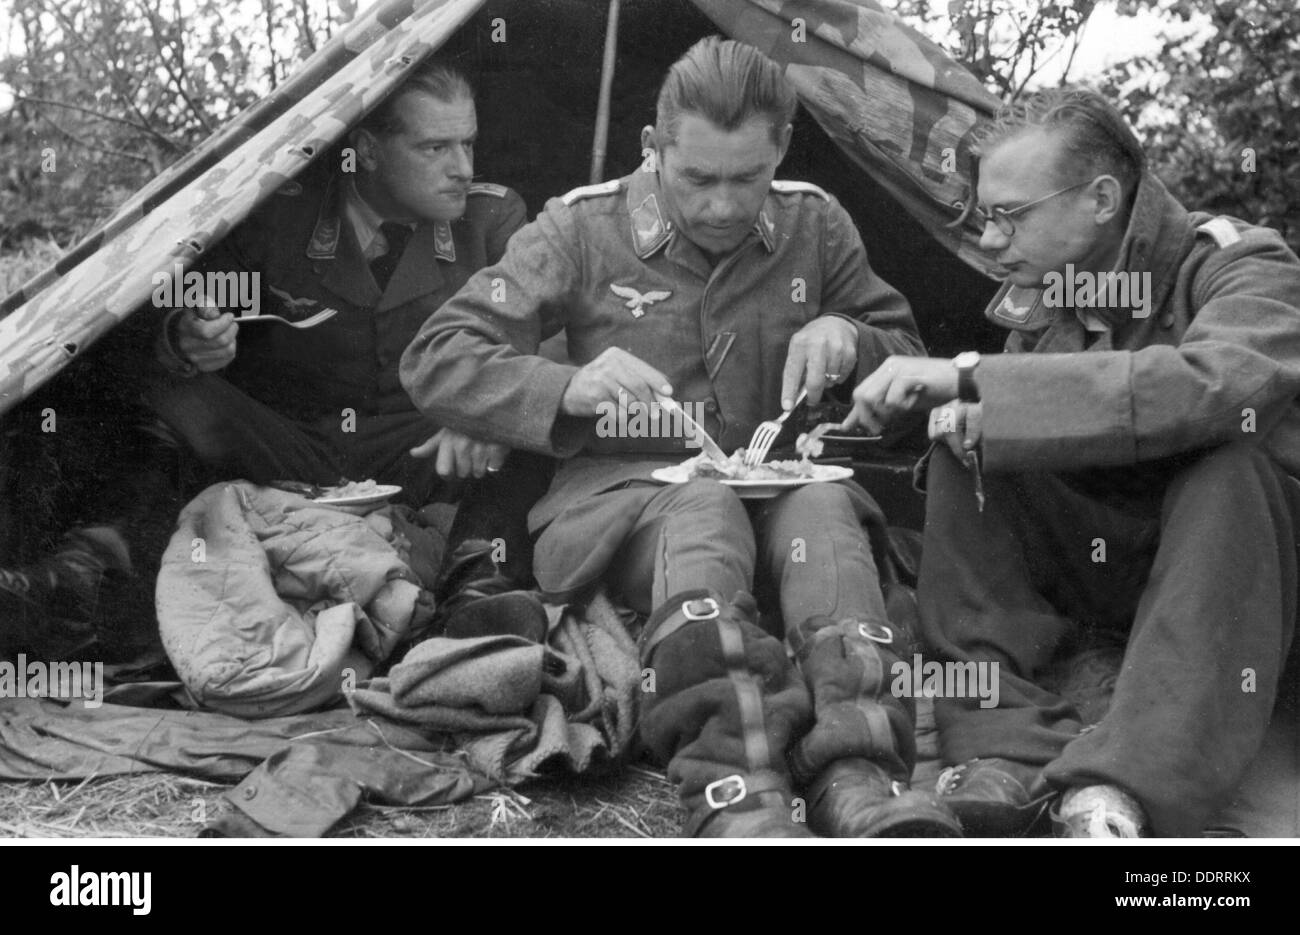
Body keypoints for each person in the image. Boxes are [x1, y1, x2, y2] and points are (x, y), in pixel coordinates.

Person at [400, 37, 962, 838]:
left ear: (781, 152)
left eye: (748, 178)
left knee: (829, 510)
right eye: (697, 178)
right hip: (622, 505)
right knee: (701, 508)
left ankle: (856, 771)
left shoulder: (817, 223)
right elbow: (437, 355)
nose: (724, 206)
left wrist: (853, 338)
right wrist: (568, 384)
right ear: (652, 149)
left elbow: (909, 359)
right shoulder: (580, 229)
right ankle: (738, 790)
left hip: (779, 498)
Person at [843, 86, 1300, 837]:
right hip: (1129, 564)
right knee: (970, 441)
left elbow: (1209, 388)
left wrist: (969, 373)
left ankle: (1128, 787)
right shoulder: (1050, 303)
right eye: (985, 216)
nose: (990, 242)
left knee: (1229, 471)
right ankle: (1003, 745)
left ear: (1100, 197)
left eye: (1009, 215)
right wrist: (968, 408)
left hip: (1250, 575)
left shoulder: (1242, 265)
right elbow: (1053, 418)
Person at [142, 60, 548, 587]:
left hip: (426, 446)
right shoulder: (280, 213)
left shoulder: (489, 221)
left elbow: (530, 340)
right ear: (370, 151)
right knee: (164, 390)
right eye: (435, 148)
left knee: (536, 422)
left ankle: (477, 588)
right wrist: (189, 336)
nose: (463, 169)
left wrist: (483, 413)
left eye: (467, 144)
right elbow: (194, 299)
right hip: (294, 446)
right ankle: (106, 572)